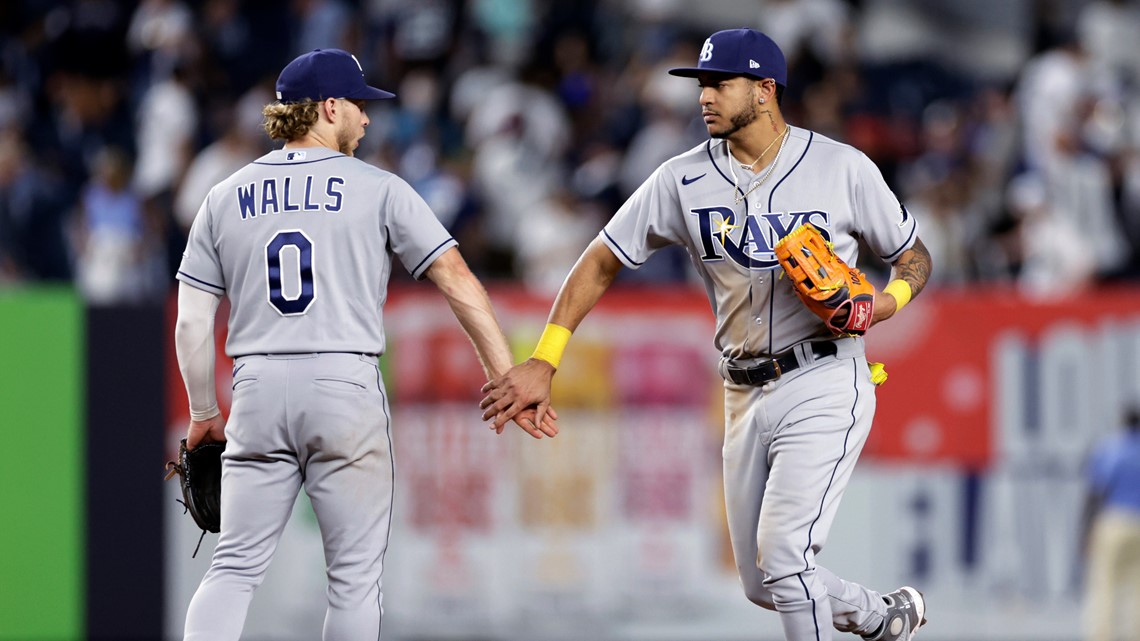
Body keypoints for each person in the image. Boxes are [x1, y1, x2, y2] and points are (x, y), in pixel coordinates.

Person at [479, 29, 932, 641]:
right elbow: (600, 261)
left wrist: (884, 303)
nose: (705, 96)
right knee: (762, 582)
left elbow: (914, 258)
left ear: (765, 90)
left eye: (720, 83)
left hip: (826, 376)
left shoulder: (841, 168)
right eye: (702, 84)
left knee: (785, 560)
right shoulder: (680, 178)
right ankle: (879, 616)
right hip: (743, 391)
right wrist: (545, 358)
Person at [173, 48, 556, 641]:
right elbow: (457, 280)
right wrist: (505, 374)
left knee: (233, 568)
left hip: (256, 385)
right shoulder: (379, 188)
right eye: (357, 104)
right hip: (342, 382)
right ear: (328, 107)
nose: (367, 119)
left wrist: (202, 412)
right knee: (353, 579)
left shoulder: (224, 194)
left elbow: (193, 323)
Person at [1081, 406, 1140, 641]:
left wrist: (1086, 531)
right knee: (1136, 586)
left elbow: (1095, 492)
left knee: (1105, 583)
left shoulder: (1111, 448)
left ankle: (1103, 636)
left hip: (1115, 520)